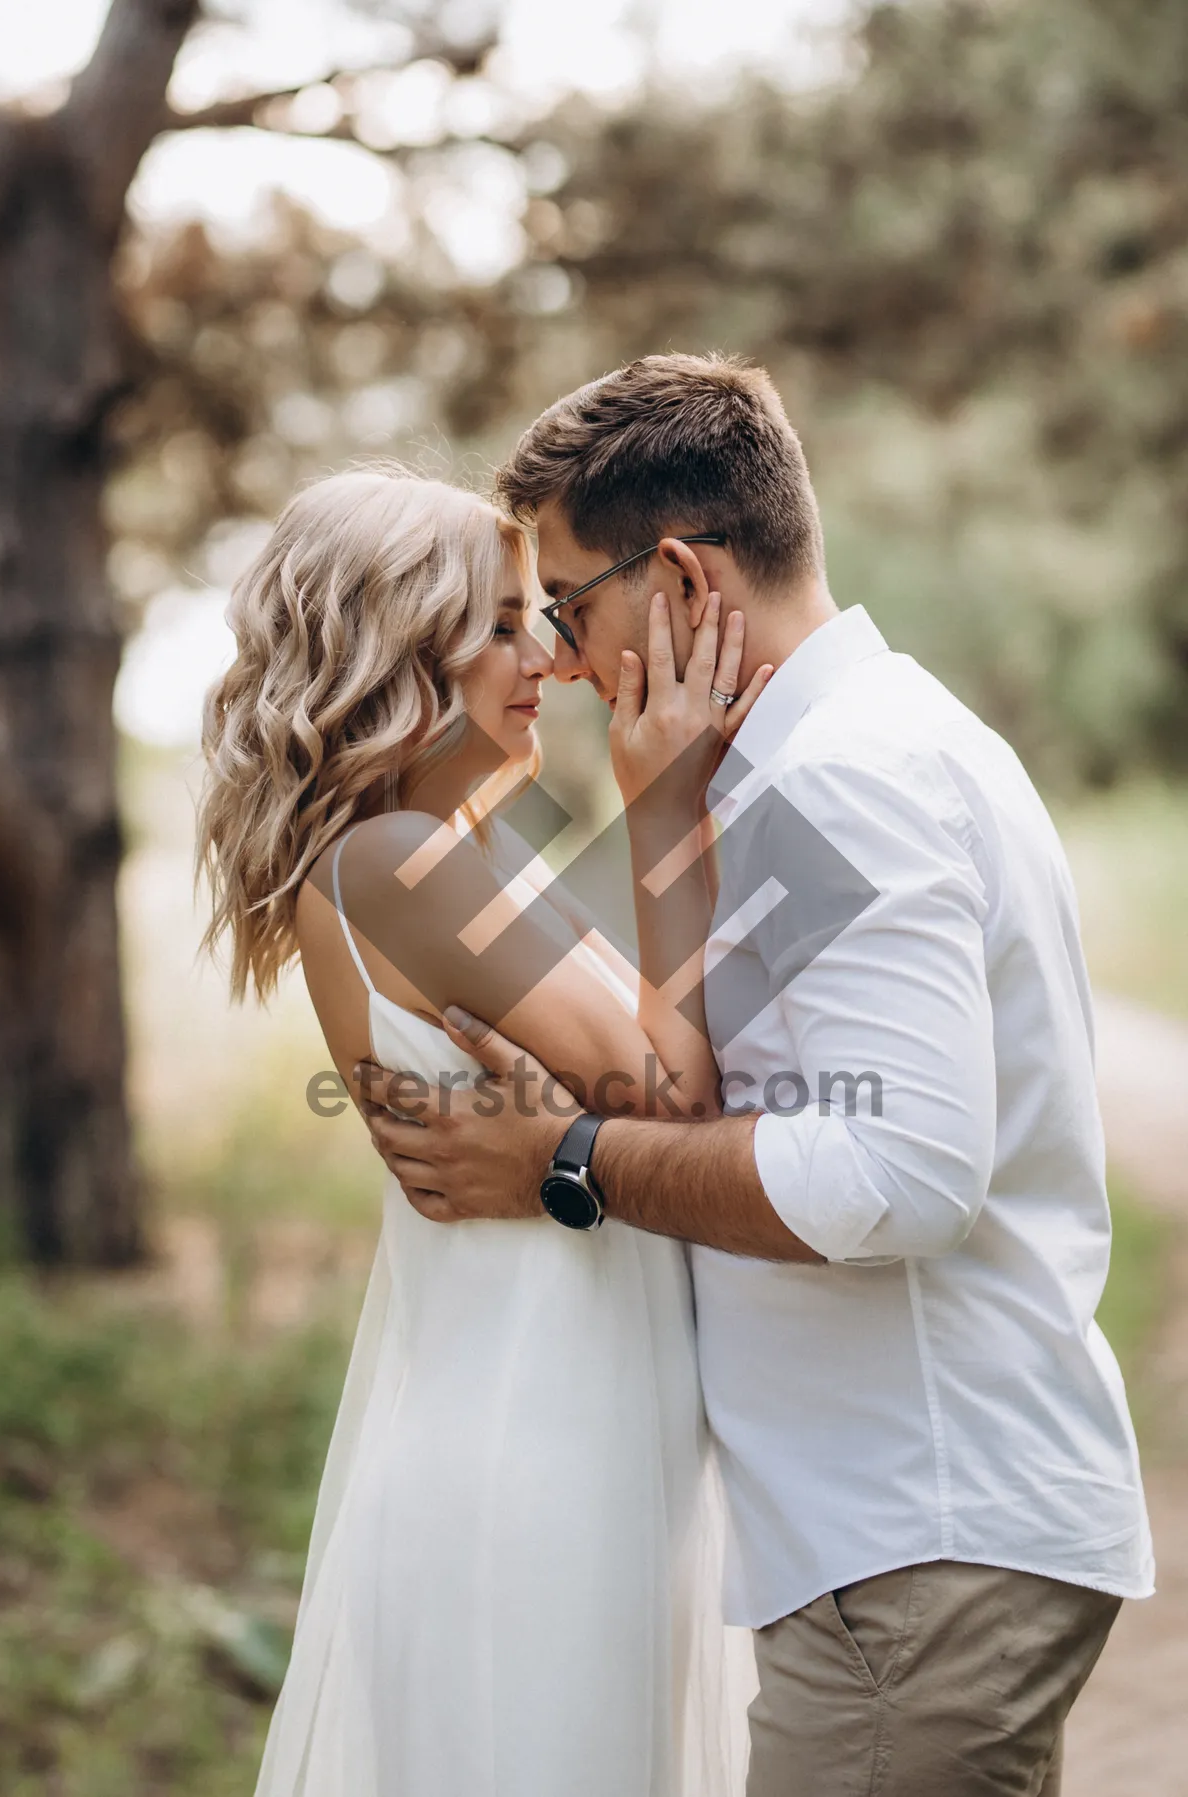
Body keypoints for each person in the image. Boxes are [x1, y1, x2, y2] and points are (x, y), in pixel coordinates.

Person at [356, 354, 1156, 1797]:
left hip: (924, 1541)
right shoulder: (866, 746)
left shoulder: (834, 776)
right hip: (921, 1535)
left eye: (568, 606)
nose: (571, 660)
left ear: (675, 576)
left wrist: (565, 1161)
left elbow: (895, 1175)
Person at [195, 464, 767, 1797]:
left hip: (568, 1449)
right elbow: (681, 1099)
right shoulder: (400, 862)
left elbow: (670, 1071)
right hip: (530, 1475)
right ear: (397, 646)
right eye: (507, 622)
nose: (551, 657)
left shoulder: (457, 851)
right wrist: (668, 804)